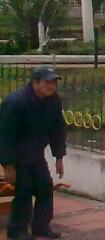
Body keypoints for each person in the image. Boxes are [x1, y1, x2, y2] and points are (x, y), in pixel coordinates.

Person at [0, 65, 66, 240]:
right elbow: (5, 136)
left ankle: (41, 228)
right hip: (17, 156)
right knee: (24, 190)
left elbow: (57, 129)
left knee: (45, 187)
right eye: (48, 82)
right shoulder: (15, 103)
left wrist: (59, 156)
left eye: (54, 83)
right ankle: (16, 231)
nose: (52, 86)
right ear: (35, 83)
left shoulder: (53, 101)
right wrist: (8, 166)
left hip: (36, 155)